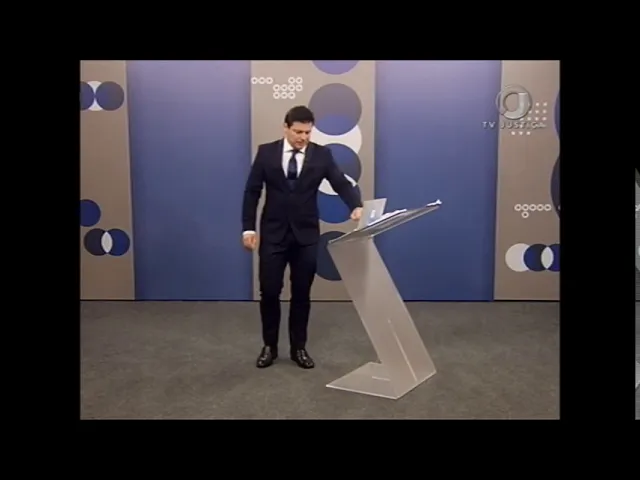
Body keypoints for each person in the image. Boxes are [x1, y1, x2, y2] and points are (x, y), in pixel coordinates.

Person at [241, 106, 363, 369]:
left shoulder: (322, 155)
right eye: (298, 131)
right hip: (273, 235)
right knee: (269, 292)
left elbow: (340, 182)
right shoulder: (266, 153)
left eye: (307, 132)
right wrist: (248, 228)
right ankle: (269, 347)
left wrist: (355, 204)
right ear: (285, 127)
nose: (303, 137)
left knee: (301, 293)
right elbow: (252, 192)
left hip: (305, 236)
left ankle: (299, 348)